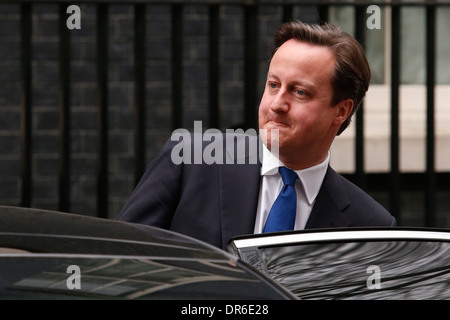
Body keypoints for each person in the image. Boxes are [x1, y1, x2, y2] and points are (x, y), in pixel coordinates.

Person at [116, 21, 397, 250]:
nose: (277, 104)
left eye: (300, 92)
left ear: (342, 110)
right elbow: (122, 261)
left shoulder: (371, 225)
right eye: (273, 85)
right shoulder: (190, 160)